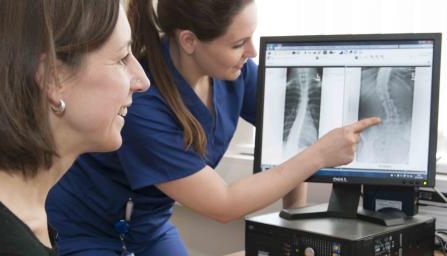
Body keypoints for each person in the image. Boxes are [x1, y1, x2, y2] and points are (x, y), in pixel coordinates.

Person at [46, 0, 380, 255]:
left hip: (149, 228)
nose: (251, 52)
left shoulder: (238, 74)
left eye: (251, 39)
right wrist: (320, 155)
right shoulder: (143, 101)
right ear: (190, 41)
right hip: (85, 228)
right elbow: (223, 204)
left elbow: (289, 141)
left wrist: (297, 222)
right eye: (238, 44)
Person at [0, 1, 149, 255]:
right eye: (122, 58)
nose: (142, 80)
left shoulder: (28, 217)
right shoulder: (5, 242)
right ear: (53, 79)